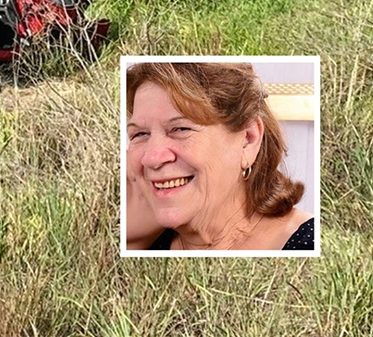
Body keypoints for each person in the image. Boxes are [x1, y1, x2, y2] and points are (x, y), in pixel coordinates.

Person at [125, 62, 314, 251]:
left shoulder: (308, 245)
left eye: (180, 129)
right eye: (140, 134)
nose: (151, 158)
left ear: (248, 139)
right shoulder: (139, 242)